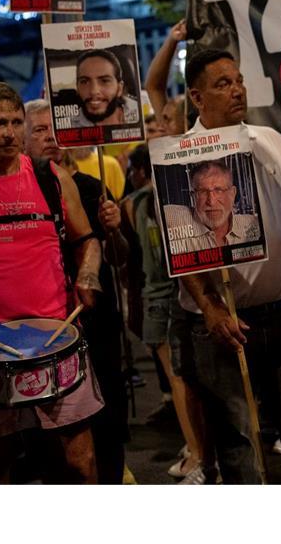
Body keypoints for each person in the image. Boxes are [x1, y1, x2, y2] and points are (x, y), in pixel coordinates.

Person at [0, 82, 102, 483]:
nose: (10, 132)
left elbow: (87, 241)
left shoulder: (52, 178)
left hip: (57, 339)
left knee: (80, 460)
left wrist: (87, 274)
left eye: (16, 121)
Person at [177, 48, 281, 484]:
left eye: (238, 80)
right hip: (224, 326)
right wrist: (210, 308)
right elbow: (181, 247)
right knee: (237, 441)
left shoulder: (271, 140)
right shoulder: (179, 156)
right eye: (222, 83)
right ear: (197, 97)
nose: (237, 89)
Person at [24, 99, 130, 484]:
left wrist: (115, 229)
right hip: (48, 331)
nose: (50, 138)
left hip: (97, 324)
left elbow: (121, 259)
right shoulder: (18, 195)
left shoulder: (91, 187)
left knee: (108, 426)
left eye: (54, 130)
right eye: (38, 131)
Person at [121, 144, 214, 484]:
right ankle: (198, 451)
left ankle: (200, 456)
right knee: (191, 379)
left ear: (143, 171)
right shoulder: (165, 200)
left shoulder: (137, 203)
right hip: (177, 294)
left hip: (165, 295)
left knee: (181, 381)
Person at [162, 160, 262, 253]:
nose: (211, 202)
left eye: (218, 190)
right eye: (203, 192)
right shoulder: (171, 218)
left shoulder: (254, 225)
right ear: (193, 196)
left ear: (232, 194)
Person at [72, 49, 140, 128]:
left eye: (104, 81)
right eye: (84, 81)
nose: (94, 91)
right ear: (77, 88)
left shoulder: (142, 112)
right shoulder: (70, 126)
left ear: (119, 88)